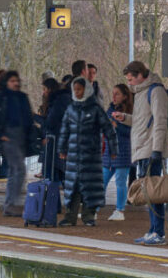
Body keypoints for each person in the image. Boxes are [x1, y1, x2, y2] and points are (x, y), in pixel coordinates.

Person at [119, 61, 168, 244]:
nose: (129, 84)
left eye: (131, 79)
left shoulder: (155, 91)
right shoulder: (142, 92)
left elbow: (160, 121)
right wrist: (125, 118)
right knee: (149, 193)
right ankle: (153, 229)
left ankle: (158, 232)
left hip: (150, 149)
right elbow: (143, 121)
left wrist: (157, 149)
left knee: (153, 193)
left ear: (141, 75)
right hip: (143, 148)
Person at [57, 77, 111, 227]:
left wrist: (113, 148)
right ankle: (70, 216)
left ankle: (89, 216)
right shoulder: (71, 109)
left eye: (79, 89)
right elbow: (64, 130)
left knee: (90, 186)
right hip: (74, 154)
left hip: (91, 153)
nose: (77, 92)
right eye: (75, 90)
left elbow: (107, 129)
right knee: (73, 186)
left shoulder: (95, 109)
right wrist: (62, 148)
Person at [0, 70, 32, 217]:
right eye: (12, 81)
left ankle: (11, 203)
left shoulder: (22, 97)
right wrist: (0, 133)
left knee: (13, 171)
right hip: (8, 136)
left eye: (16, 80)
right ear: (6, 83)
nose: (15, 83)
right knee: (19, 169)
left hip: (21, 136)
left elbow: (28, 117)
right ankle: (12, 203)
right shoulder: (0, 98)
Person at [102, 84, 133, 221]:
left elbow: (131, 132)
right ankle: (92, 208)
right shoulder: (110, 109)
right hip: (109, 151)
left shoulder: (131, 111)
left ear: (125, 96)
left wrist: (117, 126)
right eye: (113, 93)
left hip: (124, 151)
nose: (114, 97)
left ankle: (120, 209)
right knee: (101, 180)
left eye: (117, 94)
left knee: (121, 181)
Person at [39, 75, 72, 186]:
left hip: (55, 145)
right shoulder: (62, 100)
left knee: (53, 178)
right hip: (56, 144)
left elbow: (50, 123)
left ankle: (53, 202)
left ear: (50, 89)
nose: (43, 93)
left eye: (44, 89)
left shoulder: (58, 102)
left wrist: (34, 117)